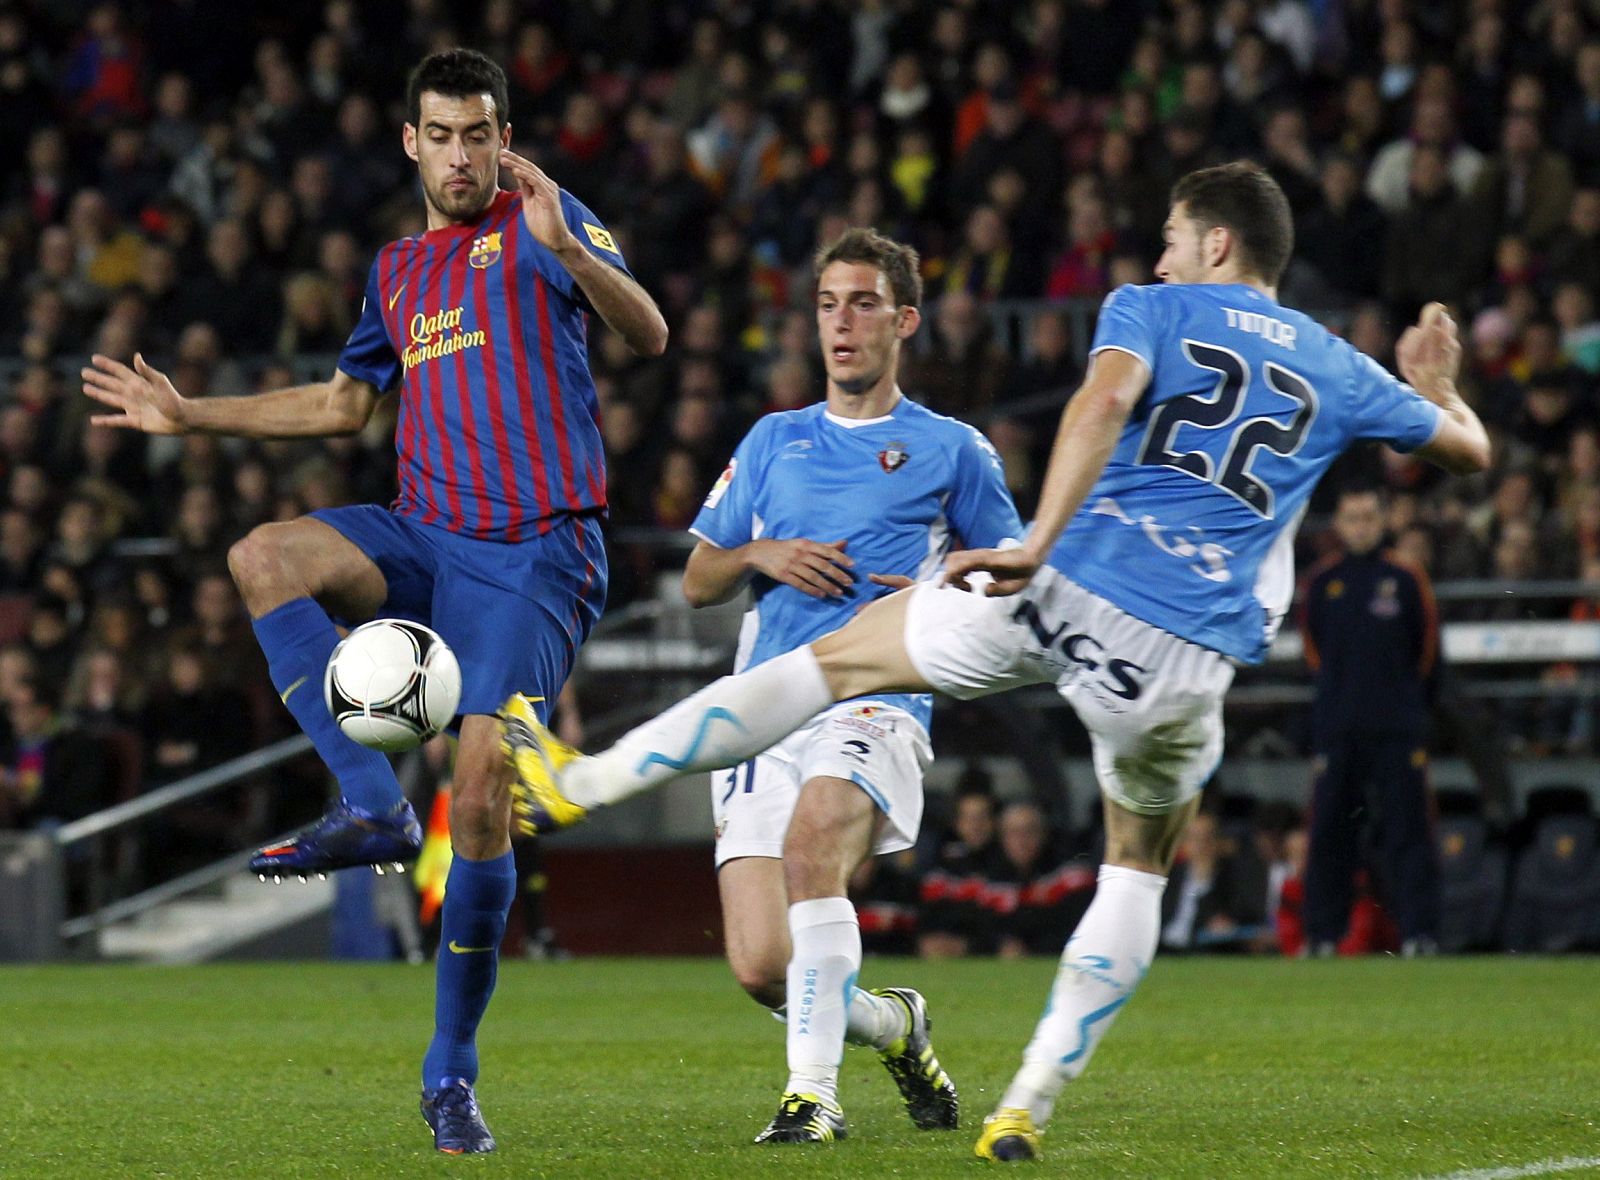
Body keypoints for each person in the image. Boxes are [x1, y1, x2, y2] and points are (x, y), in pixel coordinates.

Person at [500, 161, 1488, 1162]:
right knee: (1118, 876)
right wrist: (1438, 390)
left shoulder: (1134, 318)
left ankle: (591, 788)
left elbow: (1099, 407)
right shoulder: (1340, 365)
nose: (1158, 255)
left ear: (1216, 246)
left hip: (1063, 584)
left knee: (832, 700)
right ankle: (1018, 1098)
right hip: (1179, 662)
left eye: (1173, 236)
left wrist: (1031, 541)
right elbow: (1467, 452)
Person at [81, 48, 666, 1155]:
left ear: (503, 136)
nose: (461, 154)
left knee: (483, 789)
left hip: (537, 548)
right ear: (411, 142)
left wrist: (572, 257)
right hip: (426, 535)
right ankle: (371, 804)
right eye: (441, 135)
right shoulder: (397, 269)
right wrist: (189, 413)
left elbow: (648, 332)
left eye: (479, 133)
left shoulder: (543, 217)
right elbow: (345, 405)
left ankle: (449, 1073)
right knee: (263, 556)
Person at [681, 227, 1020, 1143]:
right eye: (830, 303)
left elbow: (1016, 573)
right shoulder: (772, 440)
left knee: (812, 843)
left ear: (904, 320)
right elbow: (699, 580)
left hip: (876, 697)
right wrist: (763, 553)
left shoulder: (954, 452)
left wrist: (950, 589)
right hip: (764, 706)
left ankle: (811, 1098)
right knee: (762, 966)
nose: (843, 322)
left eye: (864, 302)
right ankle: (896, 1025)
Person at [1301, 487, 1442, 957]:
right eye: (1351, 517)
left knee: (1409, 830)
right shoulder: (1322, 582)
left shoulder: (1405, 578)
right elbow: (1313, 652)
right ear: (1338, 524)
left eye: (1368, 516)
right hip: (1338, 728)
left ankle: (1420, 934)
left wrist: (1404, 707)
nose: (1360, 525)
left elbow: (1427, 652)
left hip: (1396, 729)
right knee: (1328, 833)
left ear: (1383, 521)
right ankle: (1322, 935)